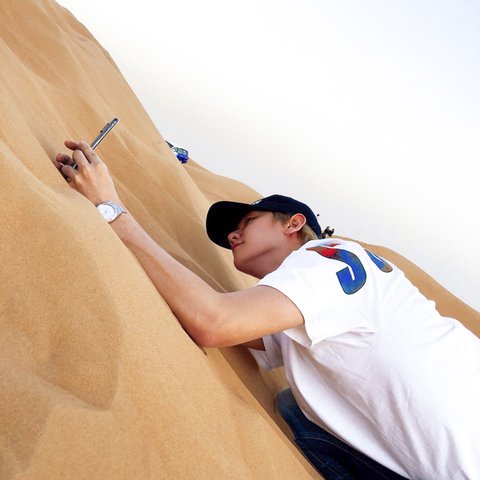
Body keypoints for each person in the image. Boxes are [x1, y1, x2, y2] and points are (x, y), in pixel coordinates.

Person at [54, 140, 480, 480]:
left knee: (297, 409)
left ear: (293, 224)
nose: (233, 235)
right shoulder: (315, 303)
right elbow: (222, 319)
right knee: (295, 404)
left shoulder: (330, 258)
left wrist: (110, 208)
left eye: (247, 222)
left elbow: (213, 322)